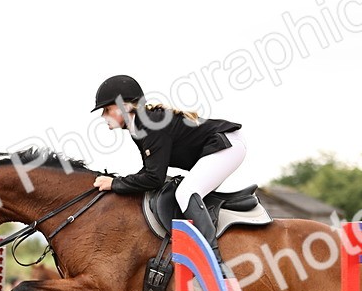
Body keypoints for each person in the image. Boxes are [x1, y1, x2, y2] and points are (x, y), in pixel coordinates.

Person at [89, 74, 246, 267]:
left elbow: (154, 178)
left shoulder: (149, 125)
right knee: (187, 193)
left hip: (228, 145)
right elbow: (149, 171)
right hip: (223, 145)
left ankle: (214, 263)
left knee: (186, 193)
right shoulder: (139, 127)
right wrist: (118, 182)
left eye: (107, 109)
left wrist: (114, 183)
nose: (103, 116)